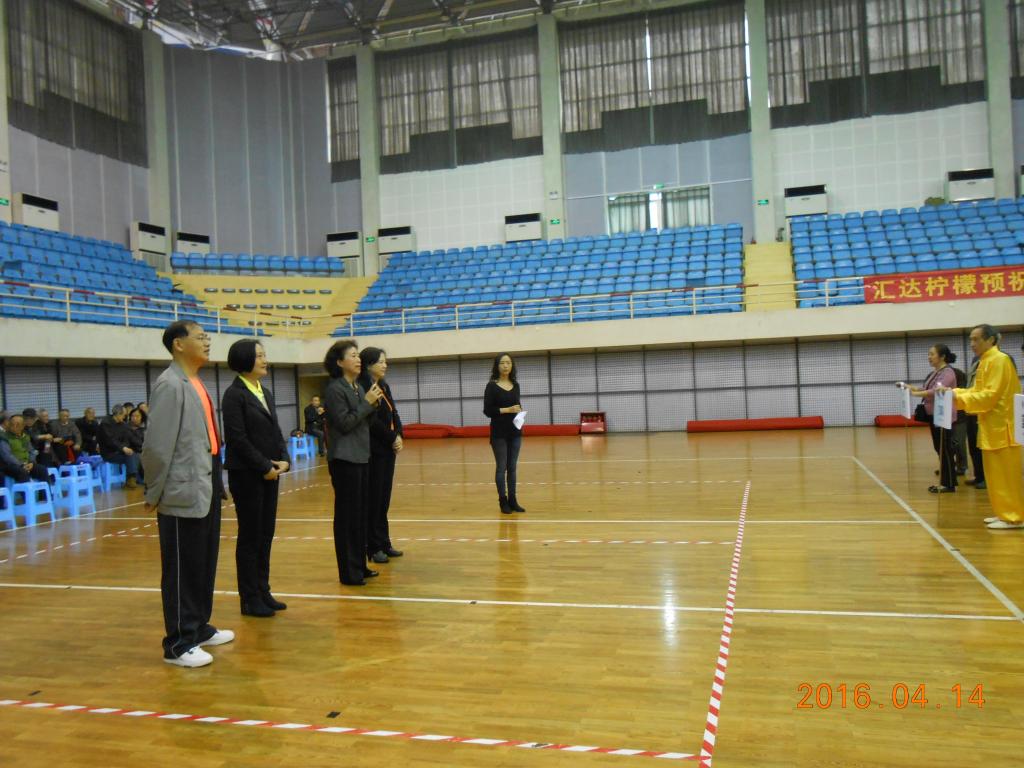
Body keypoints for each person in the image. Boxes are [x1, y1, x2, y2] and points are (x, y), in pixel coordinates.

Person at [143, 320, 233, 668]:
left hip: (204, 484)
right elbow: (157, 445)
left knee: (202, 562)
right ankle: (178, 643)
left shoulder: (195, 381)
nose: (207, 341)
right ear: (178, 344)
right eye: (200, 337)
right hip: (180, 490)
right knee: (182, 567)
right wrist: (154, 490)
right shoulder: (170, 384)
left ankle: (198, 627)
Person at [221, 339, 290, 617]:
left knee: (265, 534)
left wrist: (284, 458)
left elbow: (275, 430)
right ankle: (249, 599)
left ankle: (263, 590)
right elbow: (237, 439)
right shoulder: (233, 395)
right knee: (250, 537)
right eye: (259, 355)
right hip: (248, 475)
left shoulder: (265, 391)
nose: (264, 360)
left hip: (270, 473)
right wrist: (263, 466)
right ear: (244, 359)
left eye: (264, 355)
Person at [944, 324, 1024, 530]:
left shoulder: (1000, 360)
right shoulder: (985, 361)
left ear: (990, 340)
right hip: (991, 426)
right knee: (995, 475)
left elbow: (990, 396)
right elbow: (977, 390)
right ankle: (1004, 513)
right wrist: (955, 393)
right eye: (971, 339)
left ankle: (1014, 517)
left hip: (1004, 427)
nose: (972, 343)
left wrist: (956, 397)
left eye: (976, 339)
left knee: (1007, 476)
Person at [323, 339, 383, 586]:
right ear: (339, 362)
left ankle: (359, 565)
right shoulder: (334, 389)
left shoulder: (357, 387)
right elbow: (345, 423)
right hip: (344, 459)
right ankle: (348, 572)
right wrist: (366, 404)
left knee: (360, 515)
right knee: (347, 518)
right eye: (353, 355)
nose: (358, 360)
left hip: (361, 456)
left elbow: (363, 422)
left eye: (358, 355)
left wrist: (373, 405)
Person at [358, 347, 404, 564]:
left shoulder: (383, 385)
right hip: (374, 450)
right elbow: (372, 421)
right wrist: (391, 437)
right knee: (374, 500)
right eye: (381, 362)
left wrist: (399, 434)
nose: (385, 365)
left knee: (384, 499)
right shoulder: (364, 386)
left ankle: (384, 542)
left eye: (385, 361)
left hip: (387, 449)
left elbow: (393, 412)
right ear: (369, 365)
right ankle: (373, 547)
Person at [908, 344, 959, 493]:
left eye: (932, 354)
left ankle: (948, 484)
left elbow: (936, 391)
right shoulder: (935, 372)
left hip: (943, 415)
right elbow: (927, 389)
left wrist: (917, 394)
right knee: (940, 448)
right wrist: (913, 388)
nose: (929, 357)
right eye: (929, 354)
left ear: (942, 357)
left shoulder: (948, 372)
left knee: (945, 449)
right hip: (935, 416)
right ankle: (946, 481)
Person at [483, 353, 526, 514]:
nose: (506, 365)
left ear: (512, 365)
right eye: (502, 363)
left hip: (515, 431)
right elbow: (488, 410)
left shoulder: (516, 385)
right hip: (499, 433)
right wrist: (508, 410)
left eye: (508, 362)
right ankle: (503, 501)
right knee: (501, 467)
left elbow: (517, 405)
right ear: (497, 366)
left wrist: (519, 412)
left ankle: (513, 500)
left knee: (512, 468)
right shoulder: (491, 386)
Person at [99, 405, 142, 490]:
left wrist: (138, 445)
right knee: (130, 456)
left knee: (135, 454)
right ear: (118, 414)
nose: (125, 417)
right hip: (109, 453)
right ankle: (131, 479)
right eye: (124, 415)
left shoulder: (123, 424)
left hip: (120, 451)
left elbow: (129, 437)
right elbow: (110, 440)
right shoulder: (105, 424)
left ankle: (132, 479)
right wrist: (123, 448)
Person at [0, 413, 51, 483]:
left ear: (23, 426)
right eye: (12, 424)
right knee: (22, 472)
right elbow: (7, 455)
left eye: (17, 425)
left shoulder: (25, 437)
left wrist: (31, 462)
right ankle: (25, 490)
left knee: (42, 469)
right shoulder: (3, 437)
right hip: (10, 465)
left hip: (27, 463)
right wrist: (21, 464)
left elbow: (32, 451)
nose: (14, 426)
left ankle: (45, 490)